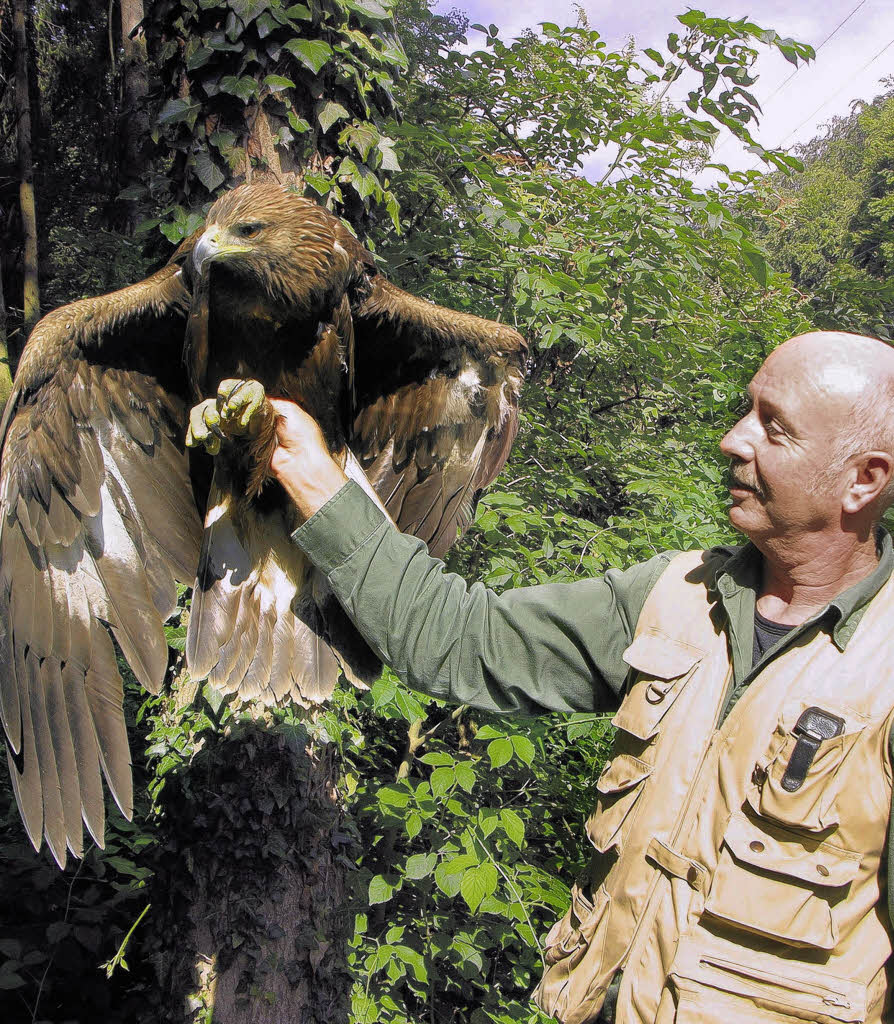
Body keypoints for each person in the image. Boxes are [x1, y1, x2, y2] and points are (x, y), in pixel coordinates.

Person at [268, 330, 894, 1024]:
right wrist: (317, 482)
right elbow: (462, 639)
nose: (732, 440)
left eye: (773, 429)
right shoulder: (677, 598)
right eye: (745, 409)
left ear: (864, 479)